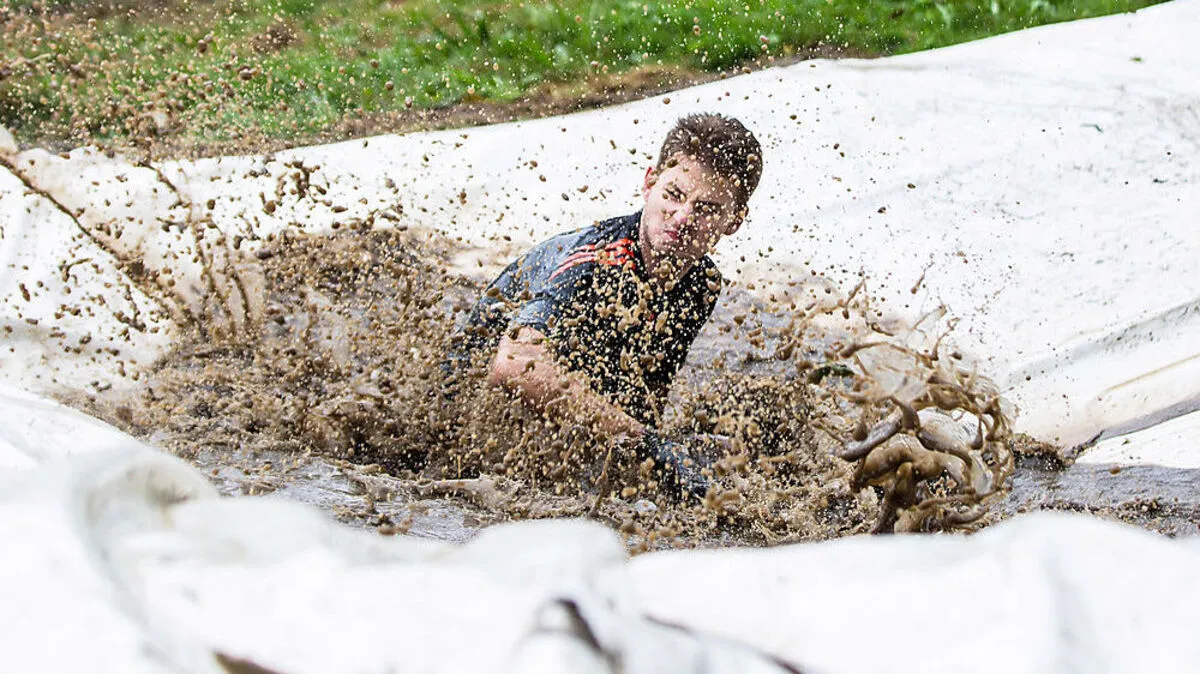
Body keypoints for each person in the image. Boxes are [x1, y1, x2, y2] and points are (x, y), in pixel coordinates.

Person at [446, 112, 762, 499]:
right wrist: (647, 444)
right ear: (649, 183)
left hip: (558, 413)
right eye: (674, 195)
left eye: (707, 209)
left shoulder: (703, 285)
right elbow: (513, 366)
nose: (682, 218)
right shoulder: (595, 259)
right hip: (458, 424)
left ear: (734, 221)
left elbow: (642, 396)